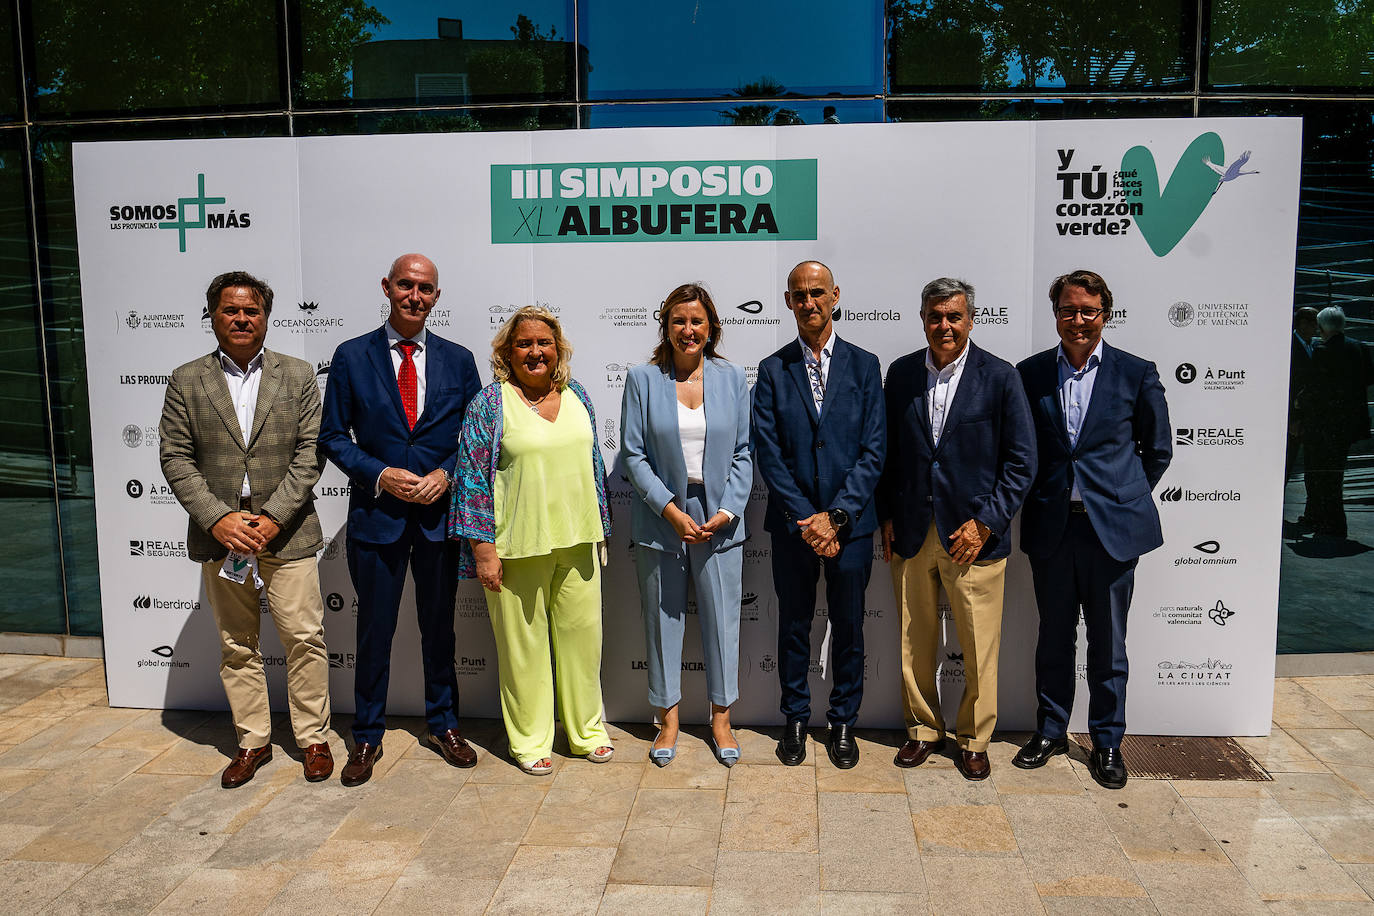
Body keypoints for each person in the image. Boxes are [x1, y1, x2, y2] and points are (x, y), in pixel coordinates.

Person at [159, 270, 332, 789]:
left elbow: (310, 452)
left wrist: (273, 516)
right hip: (223, 536)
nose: (241, 318)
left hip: (289, 529)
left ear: (266, 317)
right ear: (212, 316)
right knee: (237, 644)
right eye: (230, 310)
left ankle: (314, 738)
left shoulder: (298, 375)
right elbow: (175, 456)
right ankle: (252, 741)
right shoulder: (186, 379)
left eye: (251, 310)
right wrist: (219, 518)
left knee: (304, 637)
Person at [318, 253, 482, 786]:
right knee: (374, 632)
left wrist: (448, 473)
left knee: (440, 631)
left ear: (437, 296)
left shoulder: (459, 360)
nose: (415, 295)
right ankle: (365, 736)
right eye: (406, 285)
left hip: (439, 518)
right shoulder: (350, 356)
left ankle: (445, 725)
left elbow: (477, 438)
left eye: (426, 288)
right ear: (387, 287)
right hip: (377, 516)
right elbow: (333, 437)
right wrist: (379, 474)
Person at [1013, 269, 1171, 789]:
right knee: (1053, 637)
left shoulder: (1135, 372)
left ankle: (1106, 742)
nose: (1077, 320)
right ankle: (1052, 730)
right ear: (1055, 313)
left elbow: (1158, 450)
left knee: (1108, 643)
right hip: (1053, 529)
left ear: (1106, 313)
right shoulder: (1030, 373)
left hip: (1112, 534)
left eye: (1088, 311)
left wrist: (1121, 496)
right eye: (1067, 310)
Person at [878, 278, 1035, 780]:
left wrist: (986, 522)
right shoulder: (901, 374)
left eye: (954, 317)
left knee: (979, 645)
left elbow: (1022, 462)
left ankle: (973, 738)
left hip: (973, 536)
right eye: (935, 316)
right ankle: (923, 730)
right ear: (922, 319)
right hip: (911, 530)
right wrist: (886, 514)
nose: (944, 326)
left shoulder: (1001, 377)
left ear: (971, 320)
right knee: (911, 639)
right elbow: (889, 456)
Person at [451, 306, 614, 775]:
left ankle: (587, 733)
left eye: (544, 342)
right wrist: (483, 550)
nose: (535, 351)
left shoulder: (577, 393)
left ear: (558, 349)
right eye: (524, 343)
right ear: (508, 351)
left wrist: (601, 527)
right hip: (516, 548)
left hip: (579, 542)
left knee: (584, 646)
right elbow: (471, 480)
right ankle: (530, 740)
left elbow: (594, 469)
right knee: (524, 653)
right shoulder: (490, 403)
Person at [751, 260, 886, 769]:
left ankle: (843, 722)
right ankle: (796, 719)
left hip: (850, 528)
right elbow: (770, 453)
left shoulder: (866, 365)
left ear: (835, 297)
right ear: (788, 302)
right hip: (794, 528)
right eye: (799, 294)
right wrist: (809, 519)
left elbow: (874, 449)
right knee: (794, 626)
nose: (809, 302)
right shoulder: (771, 369)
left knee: (850, 626)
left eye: (817, 293)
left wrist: (838, 518)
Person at [620, 283, 752, 767]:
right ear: (666, 325)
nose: (688, 330)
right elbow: (632, 454)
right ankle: (668, 720)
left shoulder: (733, 377)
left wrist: (727, 511)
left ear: (711, 326)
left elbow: (743, 451)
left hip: (720, 517)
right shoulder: (641, 378)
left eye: (697, 321)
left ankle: (721, 719)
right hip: (661, 517)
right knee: (662, 621)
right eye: (679, 321)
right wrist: (670, 510)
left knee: (722, 622)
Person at [1301, 306, 1372, 539]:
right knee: (1335, 473)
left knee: (1323, 475)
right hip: (1348, 424)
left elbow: (1313, 389)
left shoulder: (1322, 350)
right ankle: (1328, 520)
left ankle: (1330, 522)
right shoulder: (1359, 348)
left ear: (1323, 328)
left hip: (1324, 424)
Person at [1286, 307, 1320, 482]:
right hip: (1293, 420)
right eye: (1316, 324)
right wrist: (1292, 419)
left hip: (1307, 418)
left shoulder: (1313, 345)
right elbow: (1288, 386)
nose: (1318, 328)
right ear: (1303, 324)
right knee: (1286, 465)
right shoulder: (1289, 346)